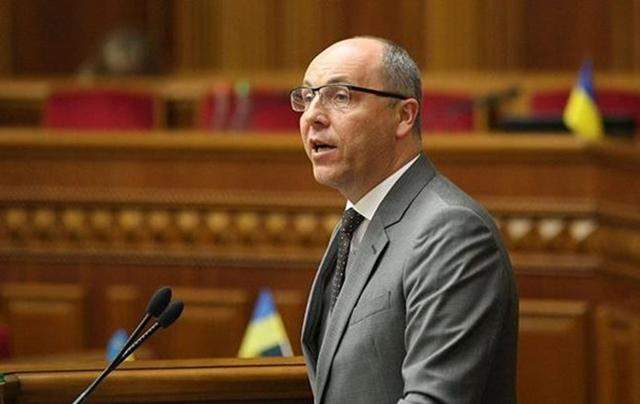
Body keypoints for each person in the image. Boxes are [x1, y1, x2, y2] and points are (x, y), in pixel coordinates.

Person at [292, 37, 518, 404]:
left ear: (403, 116)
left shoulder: (452, 231)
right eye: (307, 97)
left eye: (340, 96)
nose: (312, 116)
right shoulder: (358, 221)